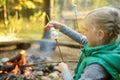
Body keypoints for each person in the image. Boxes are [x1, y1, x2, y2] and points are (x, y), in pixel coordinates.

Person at [45, 6, 120, 80]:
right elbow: (81, 39)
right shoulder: (108, 45)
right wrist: (60, 27)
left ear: (100, 34)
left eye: (86, 30)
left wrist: (65, 71)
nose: (84, 33)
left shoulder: (96, 67)